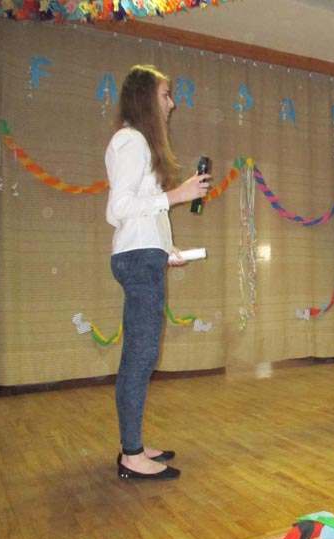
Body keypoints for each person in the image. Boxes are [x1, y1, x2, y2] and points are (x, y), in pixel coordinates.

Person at [105, 64, 210, 480]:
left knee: (142, 353)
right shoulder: (130, 140)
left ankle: (133, 443)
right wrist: (177, 195)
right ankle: (131, 455)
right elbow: (119, 208)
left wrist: (166, 249)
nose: (172, 103)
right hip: (137, 258)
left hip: (145, 255)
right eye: (166, 95)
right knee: (141, 354)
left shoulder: (138, 143)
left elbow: (143, 211)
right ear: (146, 97)